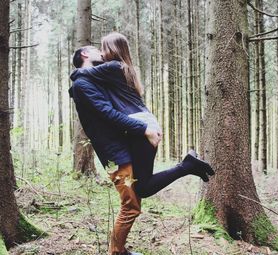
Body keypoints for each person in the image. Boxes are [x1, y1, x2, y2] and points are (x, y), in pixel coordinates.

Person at [69, 33, 214, 255]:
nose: (102, 51)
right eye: (96, 49)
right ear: (85, 54)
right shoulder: (82, 84)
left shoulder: (99, 79)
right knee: (131, 206)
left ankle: (119, 251)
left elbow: (120, 105)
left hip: (126, 149)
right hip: (115, 157)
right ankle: (117, 253)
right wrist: (144, 128)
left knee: (140, 193)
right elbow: (107, 113)